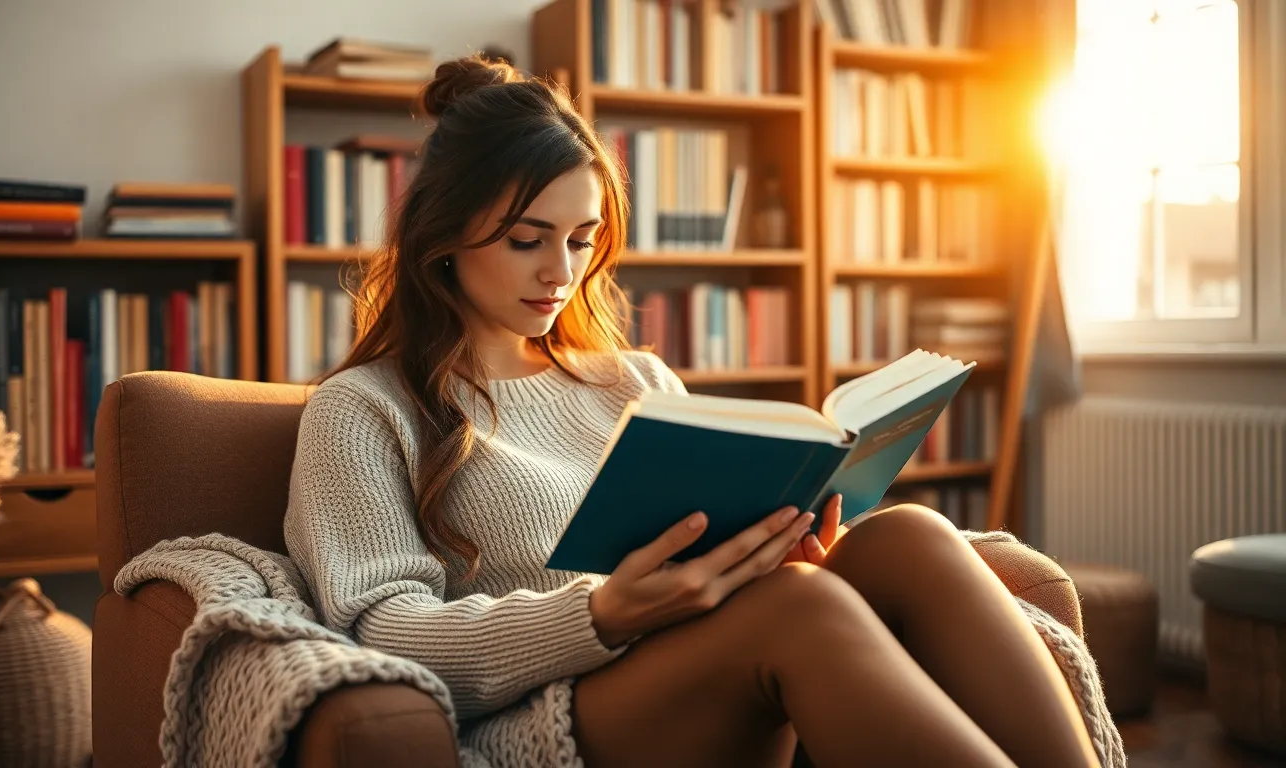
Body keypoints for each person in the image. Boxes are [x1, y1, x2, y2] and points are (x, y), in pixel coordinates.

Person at [283, 54, 1106, 768]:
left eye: (582, 239)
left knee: (909, 535)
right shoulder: (365, 408)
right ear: (444, 237)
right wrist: (598, 613)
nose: (559, 272)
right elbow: (381, 633)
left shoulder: (631, 379)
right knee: (797, 610)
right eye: (526, 240)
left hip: (703, 652)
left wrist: (783, 543)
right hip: (555, 710)